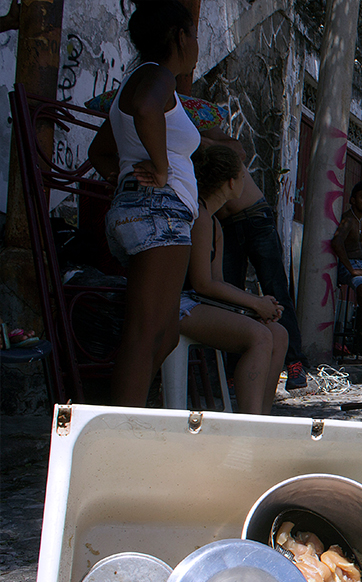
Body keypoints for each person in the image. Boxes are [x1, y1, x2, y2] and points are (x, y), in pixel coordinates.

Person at [88, 0, 201, 407]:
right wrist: (159, 169)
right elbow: (147, 109)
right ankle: (118, 429)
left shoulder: (137, 80)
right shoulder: (157, 77)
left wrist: (130, 177)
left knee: (165, 333)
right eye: (194, 34)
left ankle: (128, 413)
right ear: (179, 36)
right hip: (160, 211)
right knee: (146, 332)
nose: (197, 43)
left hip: (149, 210)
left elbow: (100, 151)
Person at [178, 145, 287, 414]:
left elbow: (218, 282)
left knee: (279, 334)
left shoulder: (214, 223)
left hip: (200, 303)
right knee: (260, 336)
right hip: (181, 304)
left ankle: (261, 417)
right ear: (230, 182)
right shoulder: (201, 218)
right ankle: (248, 422)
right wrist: (254, 302)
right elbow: (202, 284)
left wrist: (257, 305)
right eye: (242, 177)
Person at [214, 147, 310, 390]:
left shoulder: (204, 133)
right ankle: (234, 370)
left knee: (276, 288)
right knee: (228, 296)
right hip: (224, 225)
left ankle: (294, 363)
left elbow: (238, 152)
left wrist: (202, 140)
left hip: (255, 216)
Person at [331, 182, 362, 356]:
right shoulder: (348, 219)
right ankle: (361, 336)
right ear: (353, 200)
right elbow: (337, 242)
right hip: (351, 265)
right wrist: (351, 269)